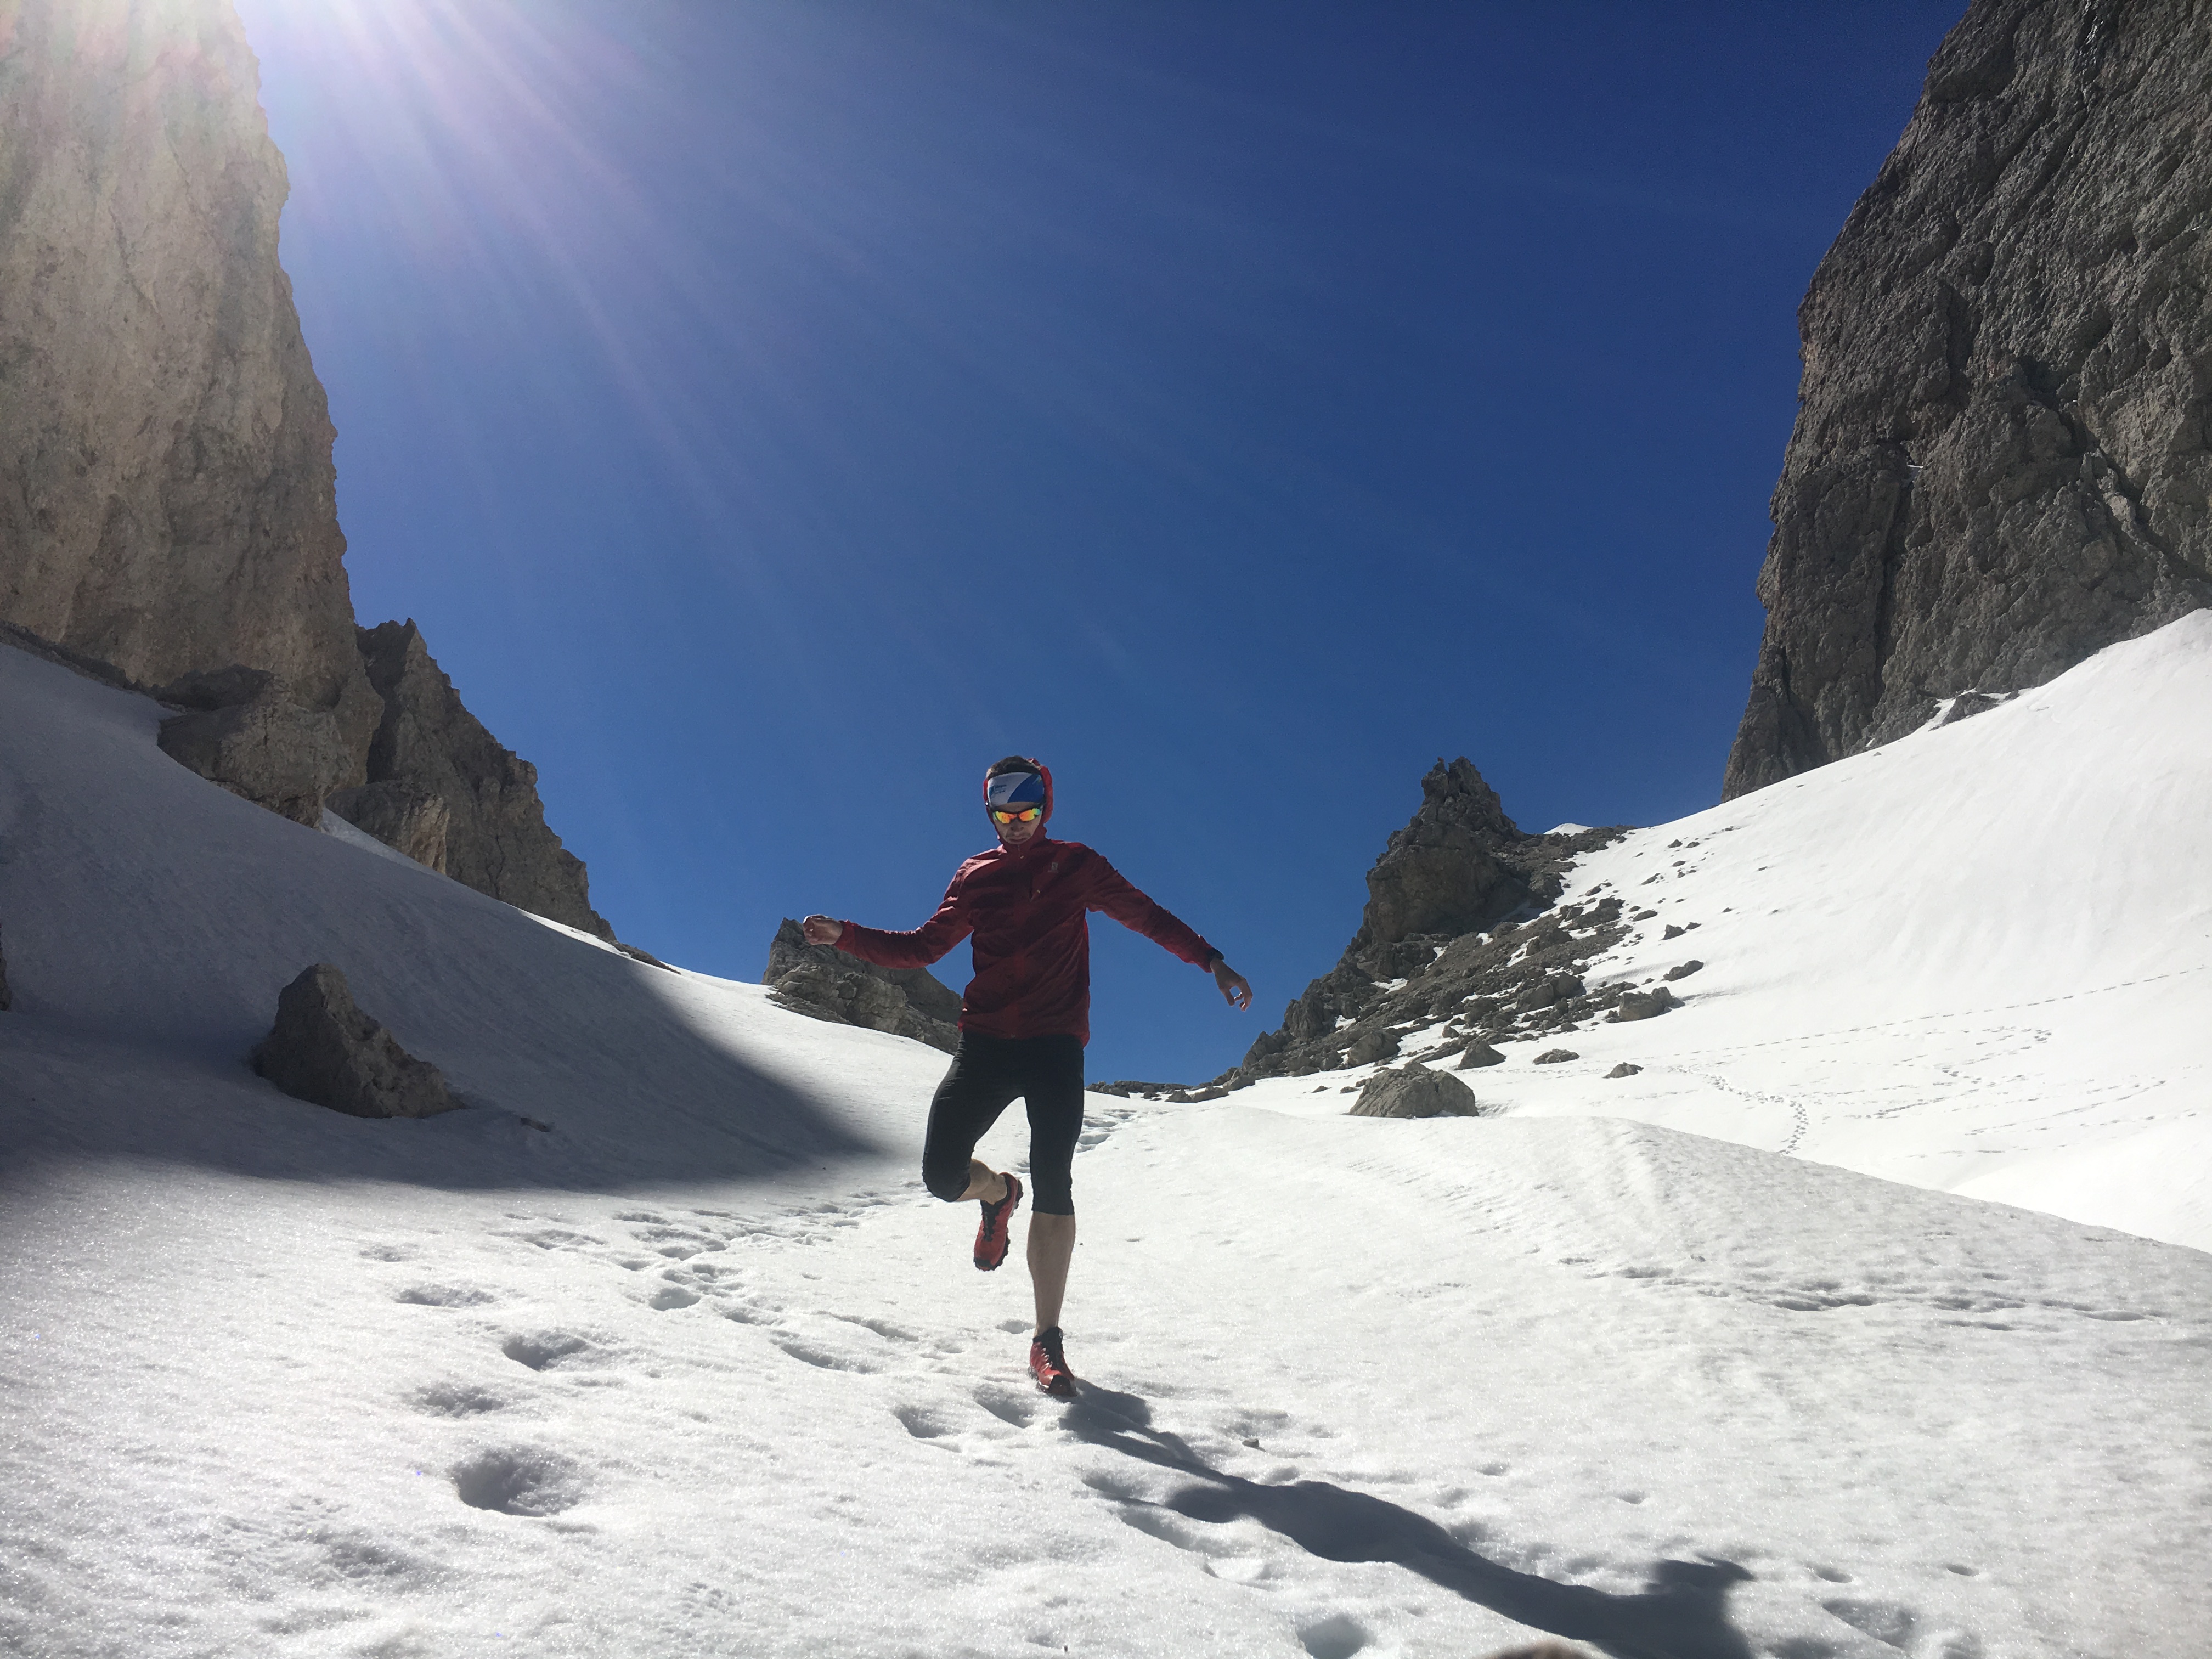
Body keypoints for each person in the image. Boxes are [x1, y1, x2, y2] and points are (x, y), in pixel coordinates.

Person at [802, 755, 1251, 1397]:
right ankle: (996, 1195)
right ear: (990, 814)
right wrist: (846, 934)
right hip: (985, 1044)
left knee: (1056, 1182)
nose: (1016, 824)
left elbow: (1147, 916)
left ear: (1047, 808)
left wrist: (1211, 961)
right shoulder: (975, 875)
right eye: (1004, 814)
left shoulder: (1077, 866)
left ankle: (1047, 1338)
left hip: (1054, 1046)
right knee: (940, 1175)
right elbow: (923, 947)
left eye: (1028, 812)